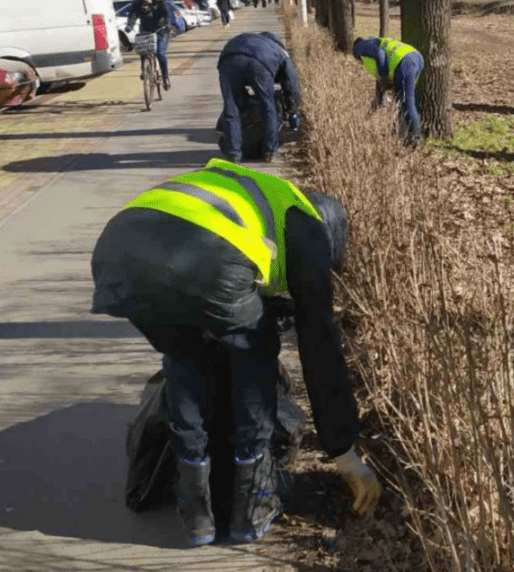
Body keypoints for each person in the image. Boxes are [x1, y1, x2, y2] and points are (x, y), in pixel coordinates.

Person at [91, 158, 382, 546]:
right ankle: (250, 507)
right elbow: (319, 346)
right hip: (202, 250)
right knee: (253, 356)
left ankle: (195, 510)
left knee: (186, 358)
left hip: (118, 251)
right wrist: (344, 453)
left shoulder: (256, 194)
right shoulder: (307, 225)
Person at [217, 32, 302, 164]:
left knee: (231, 109)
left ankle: (233, 155)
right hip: (259, 63)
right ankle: (270, 152)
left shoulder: (248, 39)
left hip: (228, 59)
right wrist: (293, 111)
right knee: (268, 107)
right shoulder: (279, 50)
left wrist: (242, 96)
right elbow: (292, 84)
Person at [352, 37, 425, 146]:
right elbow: (379, 80)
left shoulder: (361, 46)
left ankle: (416, 138)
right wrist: (376, 103)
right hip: (416, 58)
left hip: (404, 63)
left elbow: (379, 53)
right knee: (405, 100)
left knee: (407, 102)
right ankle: (405, 134)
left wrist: (384, 77)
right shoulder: (377, 43)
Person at [126, 0, 171, 90]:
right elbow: (133, 14)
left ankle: (165, 77)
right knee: (143, 51)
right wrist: (129, 26)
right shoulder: (137, 1)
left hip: (159, 30)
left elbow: (165, 12)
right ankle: (144, 71)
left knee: (160, 54)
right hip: (146, 29)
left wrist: (166, 23)